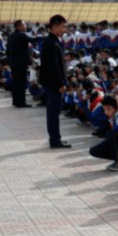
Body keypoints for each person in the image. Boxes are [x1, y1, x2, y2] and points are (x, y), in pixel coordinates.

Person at [40, 14, 70, 149]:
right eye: (63, 26)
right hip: (53, 84)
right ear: (55, 26)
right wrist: (60, 83)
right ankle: (55, 140)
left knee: (53, 113)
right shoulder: (52, 43)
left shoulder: (52, 41)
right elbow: (54, 67)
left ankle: (55, 138)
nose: (64, 29)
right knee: (53, 113)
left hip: (51, 83)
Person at [7, 19, 32, 108]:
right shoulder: (21, 35)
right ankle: (21, 102)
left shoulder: (11, 36)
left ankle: (16, 101)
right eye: (24, 25)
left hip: (13, 63)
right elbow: (33, 40)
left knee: (16, 83)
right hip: (21, 63)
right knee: (21, 83)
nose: (25, 26)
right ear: (19, 26)